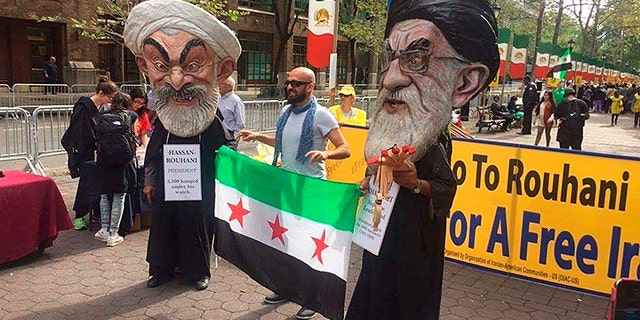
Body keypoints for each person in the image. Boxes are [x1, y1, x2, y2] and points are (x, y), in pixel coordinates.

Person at [345, 0, 499, 319]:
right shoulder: (396, 124)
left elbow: (446, 188)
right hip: (379, 235)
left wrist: (417, 183)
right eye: (391, 57)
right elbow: (379, 168)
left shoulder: (434, 134)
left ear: (465, 82)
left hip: (415, 247)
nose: (390, 79)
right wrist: (369, 179)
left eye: (416, 58)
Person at [123, 0, 241, 291]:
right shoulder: (163, 121)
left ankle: (196, 272)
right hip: (166, 189)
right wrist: (150, 181)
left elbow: (229, 157)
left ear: (220, 71)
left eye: (193, 65)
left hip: (200, 193)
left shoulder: (213, 124)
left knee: (196, 230)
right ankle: (161, 270)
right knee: (163, 229)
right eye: (162, 66)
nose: (176, 81)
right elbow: (152, 154)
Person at [236, 66, 351, 319]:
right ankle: (287, 289)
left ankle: (313, 298)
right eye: (288, 82)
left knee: (308, 246)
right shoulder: (286, 111)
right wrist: (257, 136)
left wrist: (326, 153)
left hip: (311, 190)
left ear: (310, 87)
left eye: (296, 83)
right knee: (287, 242)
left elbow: (345, 149)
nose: (289, 87)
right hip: (286, 186)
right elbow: (282, 141)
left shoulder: (322, 116)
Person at [61, 76, 119, 230]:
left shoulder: (99, 108)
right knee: (86, 183)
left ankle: (96, 211)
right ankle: (79, 215)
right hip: (85, 152)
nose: (110, 101)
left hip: (96, 151)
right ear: (101, 93)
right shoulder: (83, 107)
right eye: (109, 97)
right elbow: (79, 132)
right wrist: (91, 145)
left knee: (97, 182)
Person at [94, 92, 137, 247]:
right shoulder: (131, 116)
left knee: (105, 194)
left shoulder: (102, 116)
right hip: (122, 160)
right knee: (119, 195)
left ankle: (104, 229)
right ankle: (114, 233)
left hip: (104, 159)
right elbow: (134, 135)